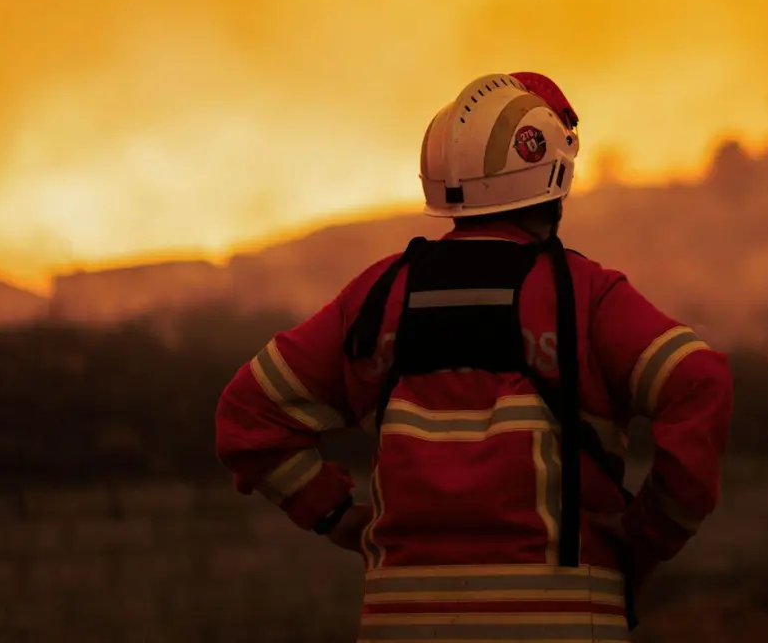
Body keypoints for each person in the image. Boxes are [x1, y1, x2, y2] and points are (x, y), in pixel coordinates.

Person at [214, 72, 734, 642]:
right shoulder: (587, 297)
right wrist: (648, 535)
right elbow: (698, 380)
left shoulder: (378, 297)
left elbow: (249, 413)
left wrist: (340, 518)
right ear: (556, 178)